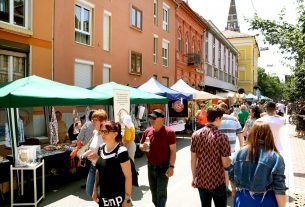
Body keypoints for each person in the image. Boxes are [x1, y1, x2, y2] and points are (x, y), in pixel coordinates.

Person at [228, 121, 287, 207]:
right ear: (269, 136)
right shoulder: (275, 157)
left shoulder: (239, 153)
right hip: (265, 200)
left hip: (242, 198)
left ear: (251, 134)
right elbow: (279, 187)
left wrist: (234, 190)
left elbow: (231, 174)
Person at [191, 106, 231, 207]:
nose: (221, 121)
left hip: (201, 179)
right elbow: (225, 163)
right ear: (217, 118)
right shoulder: (222, 137)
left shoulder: (196, 134)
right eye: (221, 118)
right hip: (217, 180)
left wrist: (194, 177)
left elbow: (193, 159)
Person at [87, 121, 132, 207]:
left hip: (118, 198)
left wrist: (127, 199)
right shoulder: (101, 148)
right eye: (102, 131)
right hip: (104, 197)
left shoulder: (121, 151)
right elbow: (98, 171)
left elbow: (128, 177)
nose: (103, 134)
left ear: (115, 134)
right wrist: (95, 190)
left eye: (106, 132)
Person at [139, 109, 176, 207]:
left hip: (164, 166)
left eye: (154, 118)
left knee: (161, 192)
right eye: (150, 117)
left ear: (161, 119)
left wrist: (171, 167)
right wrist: (142, 147)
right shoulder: (147, 131)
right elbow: (141, 145)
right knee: (153, 192)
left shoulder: (169, 132)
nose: (151, 120)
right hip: (151, 165)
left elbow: (173, 151)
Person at [218, 103, 243, 193]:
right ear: (227, 110)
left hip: (217, 148)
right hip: (230, 150)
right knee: (228, 169)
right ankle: (227, 188)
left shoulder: (216, 119)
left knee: (220, 169)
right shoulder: (234, 119)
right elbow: (240, 134)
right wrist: (241, 148)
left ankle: (223, 187)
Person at [81, 109, 108, 197]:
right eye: (92, 119)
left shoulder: (108, 134)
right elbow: (93, 148)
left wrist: (98, 156)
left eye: (95, 120)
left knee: (104, 194)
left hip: (105, 169)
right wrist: (85, 154)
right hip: (93, 167)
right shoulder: (95, 133)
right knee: (90, 192)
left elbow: (112, 154)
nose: (92, 121)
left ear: (103, 121)